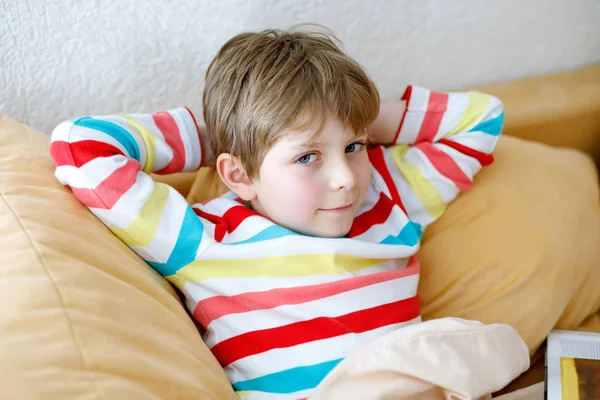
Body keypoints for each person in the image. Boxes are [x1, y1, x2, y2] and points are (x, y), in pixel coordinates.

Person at [50, 26, 504, 399]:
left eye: (354, 146)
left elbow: (483, 119)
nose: (345, 177)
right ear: (239, 176)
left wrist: (353, 116)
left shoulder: (384, 196)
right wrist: (224, 141)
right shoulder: (204, 239)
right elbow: (79, 147)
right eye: (307, 157)